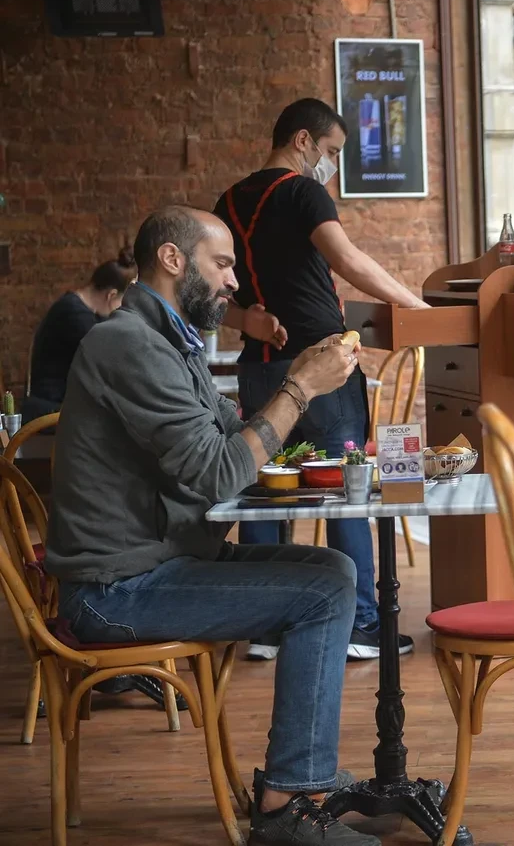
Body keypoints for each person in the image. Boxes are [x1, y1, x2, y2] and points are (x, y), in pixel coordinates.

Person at [44, 206, 381, 846]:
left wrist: (301, 384)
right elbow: (218, 474)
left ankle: (301, 775)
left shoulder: (172, 343)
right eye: (222, 264)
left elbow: (235, 439)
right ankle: (286, 805)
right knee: (324, 591)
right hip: (115, 590)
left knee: (334, 571)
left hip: (162, 560)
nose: (234, 282)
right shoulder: (128, 344)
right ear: (173, 259)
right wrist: (299, 390)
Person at [213, 98, 427, 661]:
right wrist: (415, 307)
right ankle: (360, 623)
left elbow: (214, 296)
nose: (330, 163)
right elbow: (347, 259)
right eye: (331, 150)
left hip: (260, 365)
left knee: (265, 488)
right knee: (347, 488)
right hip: (322, 363)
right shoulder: (303, 191)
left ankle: (264, 627)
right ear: (303, 140)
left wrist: (247, 320)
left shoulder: (227, 202)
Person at [24, 248, 136, 420]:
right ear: (111, 295)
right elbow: (113, 361)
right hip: (52, 410)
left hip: (65, 406)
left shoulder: (80, 310)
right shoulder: (74, 315)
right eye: (123, 302)